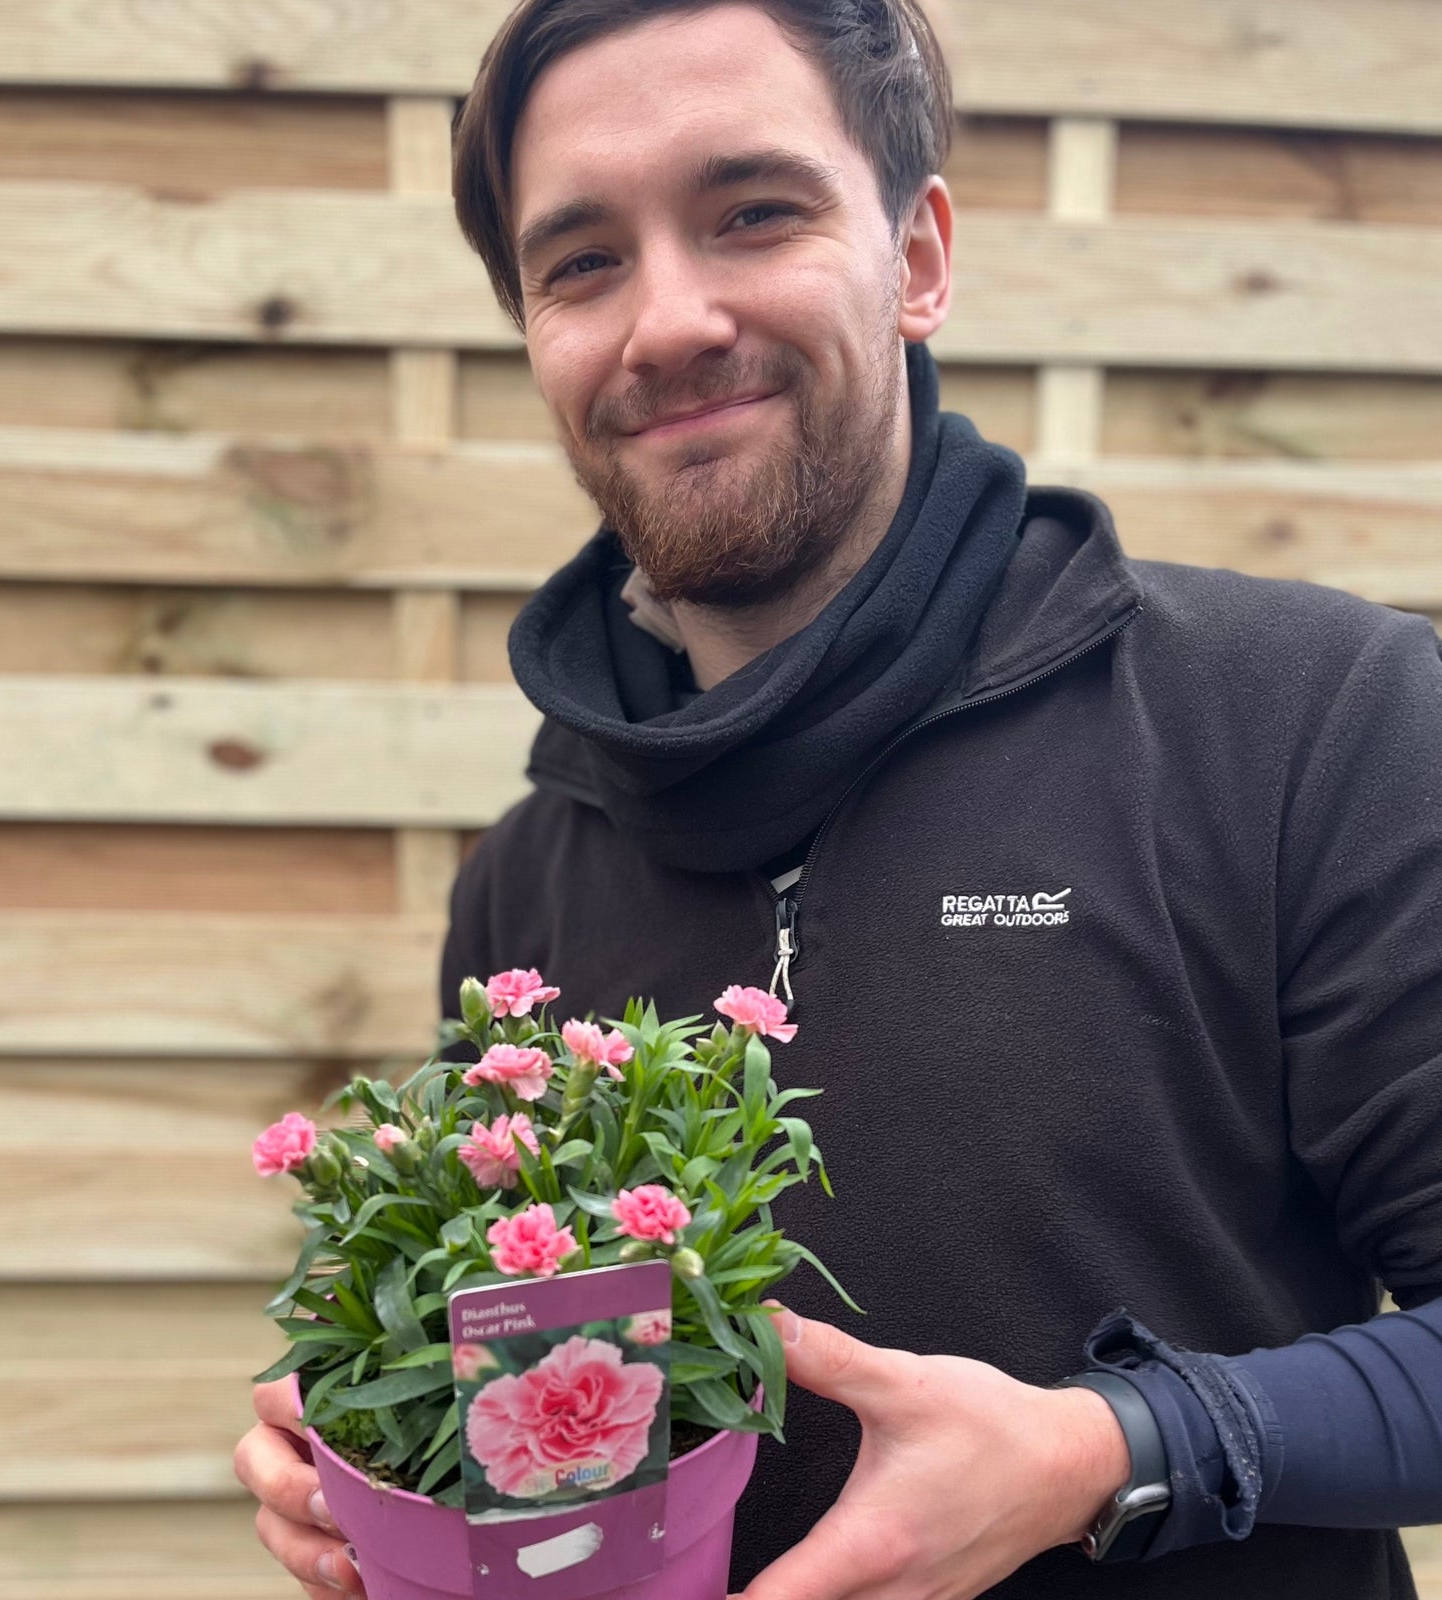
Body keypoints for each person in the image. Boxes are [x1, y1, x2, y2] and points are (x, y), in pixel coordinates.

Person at [233, 3, 1442, 1596]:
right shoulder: (528, 881)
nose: (666, 320)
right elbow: (558, 1424)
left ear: (917, 256)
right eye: (581, 261)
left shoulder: (1305, 718)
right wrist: (384, 1461)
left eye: (754, 213)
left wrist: (1116, 1449)